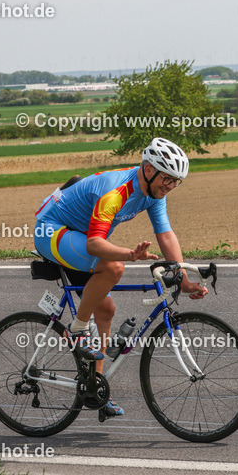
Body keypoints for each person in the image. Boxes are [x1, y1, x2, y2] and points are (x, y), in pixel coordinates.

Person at [33, 137, 208, 417]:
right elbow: (93, 245)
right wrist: (129, 256)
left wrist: (183, 279)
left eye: (177, 181)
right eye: (168, 179)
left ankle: (95, 388)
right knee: (114, 268)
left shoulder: (152, 194)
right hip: (52, 231)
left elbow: (165, 234)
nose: (171, 186)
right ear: (149, 170)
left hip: (77, 237)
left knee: (106, 308)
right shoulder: (117, 192)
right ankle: (77, 329)